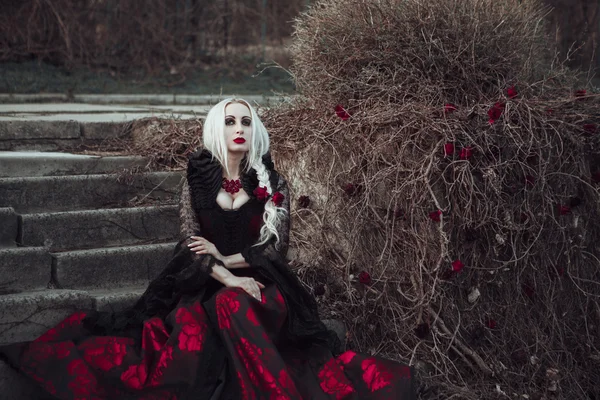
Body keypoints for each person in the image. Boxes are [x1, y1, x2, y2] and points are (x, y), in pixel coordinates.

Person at [1, 98, 416, 399]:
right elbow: (190, 243)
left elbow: (274, 249)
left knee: (233, 305)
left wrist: (231, 265)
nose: (239, 128)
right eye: (230, 120)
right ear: (218, 127)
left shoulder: (270, 179)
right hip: (207, 284)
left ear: (255, 130)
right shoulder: (197, 177)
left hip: (264, 287)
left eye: (246, 122)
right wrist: (225, 274)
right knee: (214, 312)